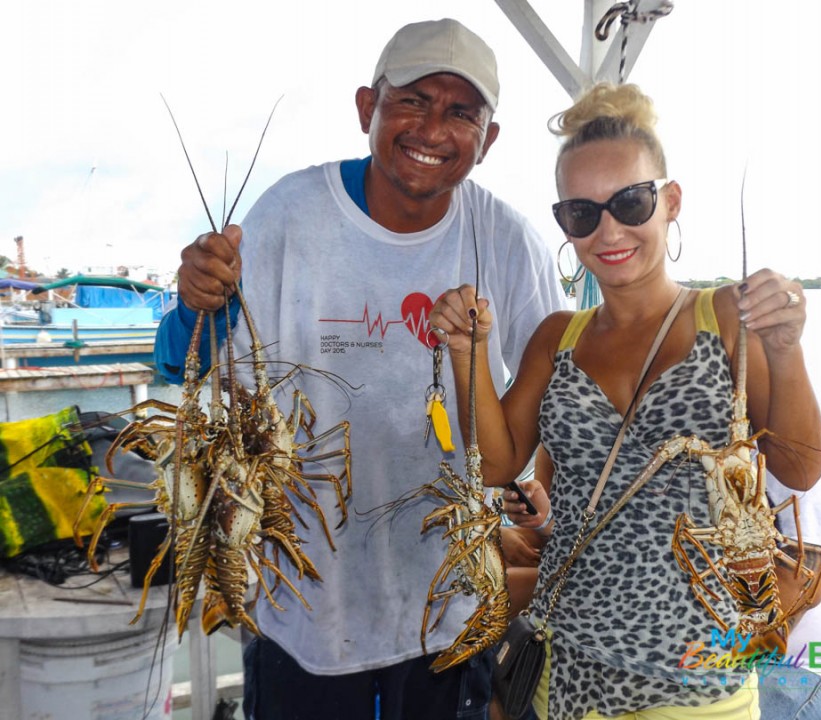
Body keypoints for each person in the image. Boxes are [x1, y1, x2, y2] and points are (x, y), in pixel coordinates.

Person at [153, 17, 566, 720]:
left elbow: (559, 387)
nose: (434, 128)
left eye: (461, 112)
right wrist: (198, 303)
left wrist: (542, 485)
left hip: (445, 606)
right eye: (411, 101)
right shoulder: (291, 213)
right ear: (367, 109)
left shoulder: (506, 238)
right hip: (300, 613)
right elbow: (178, 361)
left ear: (488, 139)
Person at [429, 82, 821, 719]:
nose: (608, 230)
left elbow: (800, 468)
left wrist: (785, 344)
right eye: (582, 213)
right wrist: (466, 350)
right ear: (564, 224)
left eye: (630, 202)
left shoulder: (723, 315)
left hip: (696, 680)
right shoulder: (557, 337)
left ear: (670, 202)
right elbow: (499, 466)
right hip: (568, 669)